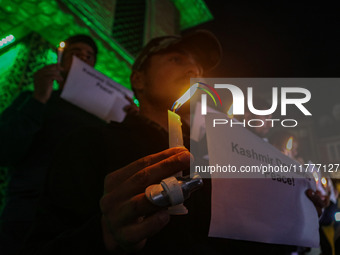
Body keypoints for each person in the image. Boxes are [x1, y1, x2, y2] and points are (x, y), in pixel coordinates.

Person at [21, 31, 323, 255]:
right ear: (138, 79)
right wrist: (103, 235)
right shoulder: (90, 144)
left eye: (199, 69)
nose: (193, 72)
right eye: (177, 59)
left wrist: (292, 217)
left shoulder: (219, 165)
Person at [0, 34, 107, 254]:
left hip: (79, 218)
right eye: (75, 53)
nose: (82, 60)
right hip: (28, 210)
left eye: (89, 56)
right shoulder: (33, 98)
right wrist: (38, 99)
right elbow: (5, 149)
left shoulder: (102, 116)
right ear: (61, 60)